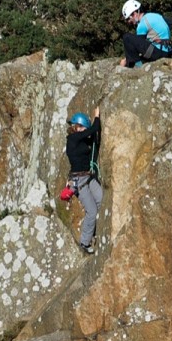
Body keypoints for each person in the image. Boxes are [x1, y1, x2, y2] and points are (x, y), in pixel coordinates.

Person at [64, 108, 102, 254]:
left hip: (88, 177)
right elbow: (94, 129)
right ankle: (85, 243)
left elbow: (91, 138)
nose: (85, 130)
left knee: (101, 199)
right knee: (91, 211)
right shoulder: (73, 139)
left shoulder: (78, 140)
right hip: (79, 181)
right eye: (84, 127)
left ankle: (94, 230)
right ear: (78, 127)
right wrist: (97, 117)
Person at [119, 0, 172, 68]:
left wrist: (126, 59)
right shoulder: (154, 15)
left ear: (134, 13)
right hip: (168, 50)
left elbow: (138, 46)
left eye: (129, 18)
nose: (129, 22)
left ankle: (137, 66)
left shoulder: (142, 24)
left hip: (159, 53)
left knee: (127, 37)